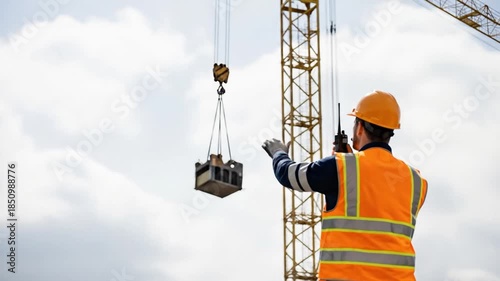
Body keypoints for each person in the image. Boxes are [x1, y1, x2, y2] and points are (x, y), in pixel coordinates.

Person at [262, 90, 428, 281]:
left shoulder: (341, 168)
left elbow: (290, 175)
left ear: (359, 128)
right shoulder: (415, 180)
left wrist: (278, 153)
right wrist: (348, 162)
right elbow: (376, 199)